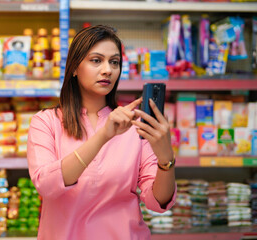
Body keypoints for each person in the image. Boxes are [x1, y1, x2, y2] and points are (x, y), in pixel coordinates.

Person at [27, 25, 177, 240]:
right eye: (96, 60)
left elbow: (157, 202)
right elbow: (47, 185)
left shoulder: (135, 124)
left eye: (114, 62)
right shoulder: (46, 122)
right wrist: (103, 135)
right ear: (74, 68)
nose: (108, 69)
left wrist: (166, 159)